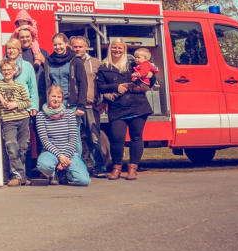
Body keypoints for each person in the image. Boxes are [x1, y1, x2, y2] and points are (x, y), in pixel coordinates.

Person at [97, 38, 158, 181]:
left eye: (120, 48)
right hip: (117, 108)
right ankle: (116, 168)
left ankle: (133, 169)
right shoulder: (104, 67)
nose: (117, 50)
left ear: (124, 49)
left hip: (138, 105)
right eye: (114, 47)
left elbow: (151, 78)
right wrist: (115, 87)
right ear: (110, 48)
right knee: (117, 139)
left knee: (136, 137)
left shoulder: (133, 64)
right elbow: (100, 87)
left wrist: (150, 75)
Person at [35, 85, 91, 187]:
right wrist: (60, 156)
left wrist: (65, 159)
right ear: (48, 96)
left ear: (62, 99)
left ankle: (65, 173)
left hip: (69, 153)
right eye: (53, 96)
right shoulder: (41, 115)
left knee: (84, 181)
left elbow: (73, 138)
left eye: (59, 97)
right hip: (50, 152)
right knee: (43, 165)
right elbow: (44, 140)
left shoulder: (69, 114)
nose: (56, 99)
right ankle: (53, 173)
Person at [0, 59, 32, 187]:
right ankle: (19, 176)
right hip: (8, 121)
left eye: (9, 69)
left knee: (23, 148)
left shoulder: (20, 86)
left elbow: (27, 102)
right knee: (12, 148)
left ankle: (20, 176)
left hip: (23, 118)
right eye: (4, 70)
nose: (6, 72)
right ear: (0, 71)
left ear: (14, 71)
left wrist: (16, 105)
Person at [70, 36, 106, 177]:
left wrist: (104, 102)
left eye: (80, 47)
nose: (78, 49)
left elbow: (103, 83)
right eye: (75, 47)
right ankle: (77, 169)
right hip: (73, 107)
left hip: (91, 106)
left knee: (94, 138)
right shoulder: (69, 62)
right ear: (71, 47)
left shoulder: (96, 63)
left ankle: (99, 167)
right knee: (74, 139)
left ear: (86, 47)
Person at [0, 40, 39, 114]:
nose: (11, 51)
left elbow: (32, 88)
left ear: (19, 50)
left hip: (24, 108)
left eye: (14, 48)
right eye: (9, 48)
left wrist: (34, 106)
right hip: (5, 110)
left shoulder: (27, 66)